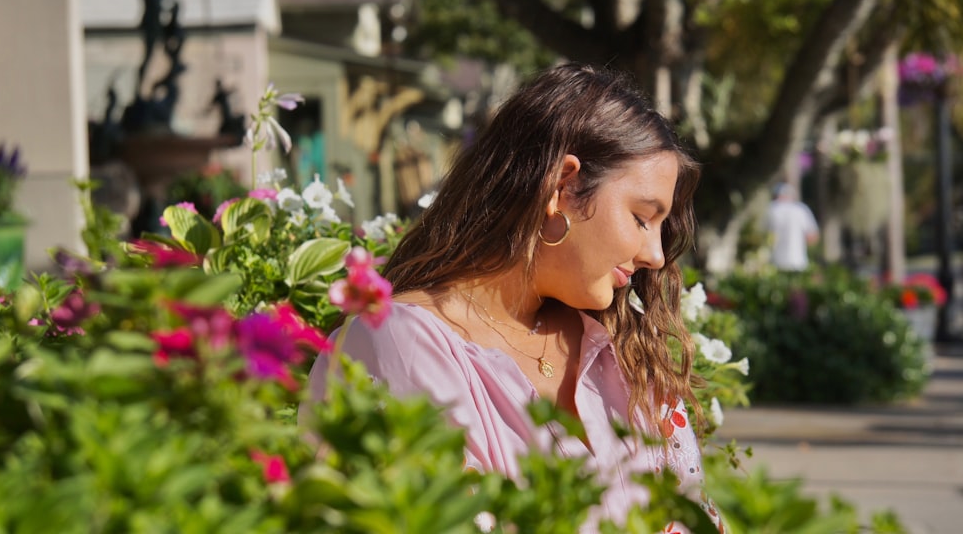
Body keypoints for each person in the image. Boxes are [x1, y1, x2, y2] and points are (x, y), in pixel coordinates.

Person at [307, 63, 723, 532]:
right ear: (562, 186)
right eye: (642, 218)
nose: (654, 254)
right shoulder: (400, 342)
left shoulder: (625, 354)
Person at [764, 182, 819, 271]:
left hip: (774, 262)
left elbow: (760, 234)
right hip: (798, 262)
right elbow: (812, 237)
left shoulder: (770, 209)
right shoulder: (801, 209)